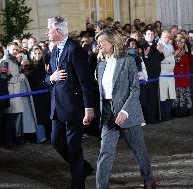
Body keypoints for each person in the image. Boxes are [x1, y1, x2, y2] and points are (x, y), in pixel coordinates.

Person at [95, 28, 156, 189]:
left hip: (127, 112)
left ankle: (149, 180)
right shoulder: (100, 64)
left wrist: (124, 111)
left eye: (101, 42)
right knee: (105, 152)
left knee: (139, 151)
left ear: (112, 42)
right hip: (108, 112)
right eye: (97, 42)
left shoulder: (127, 60)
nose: (98, 44)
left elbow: (135, 89)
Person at [45, 16, 95, 189]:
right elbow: (48, 77)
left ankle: (78, 183)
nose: (47, 32)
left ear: (58, 31)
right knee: (55, 141)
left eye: (48, 29)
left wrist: (88, 107)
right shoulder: (54, 51)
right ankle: (83, 167)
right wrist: (51, 78)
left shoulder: (74, 50)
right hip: (57, 106)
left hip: (74, 106)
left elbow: (85, 81)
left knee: (73, 146)